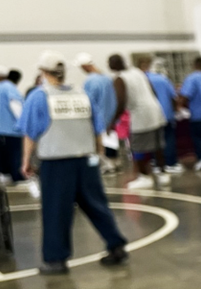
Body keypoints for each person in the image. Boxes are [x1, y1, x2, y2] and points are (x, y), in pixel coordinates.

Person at [18, 51, 128, 275]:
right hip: (85, 160)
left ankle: (56, 259)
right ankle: (116, 245)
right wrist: (97, 154)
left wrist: (26, 161)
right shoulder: (82, 95)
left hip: (56, 162)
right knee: (96, 205)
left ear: (43, 72)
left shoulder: (39, 97)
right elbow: (97, 129)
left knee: (56, 211)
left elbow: (30, 132)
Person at [108, 54, 168, 189]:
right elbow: (153, 91)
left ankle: (144, 177)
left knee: (137, 148)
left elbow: (121, 102)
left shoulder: (120, 78)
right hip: (155, 109)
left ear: (113, 65)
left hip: (140, 114)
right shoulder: (137, 72)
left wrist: (112, 121)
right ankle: (163, 174)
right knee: (157, 145)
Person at [138, 55, 181, 174]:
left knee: (154, 141)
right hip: (166, 114)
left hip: (149, 116)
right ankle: (171, 163)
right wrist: (175, 110)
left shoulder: (142, 80)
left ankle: (157, 164)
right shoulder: (163, 79)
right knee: (168, 139)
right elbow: (173, 97)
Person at [0, 69, 25, 184]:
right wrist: (26, 126)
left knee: (2, 167)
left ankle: (2, 196)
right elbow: (18, 110)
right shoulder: (11, 89)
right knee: (15, 165)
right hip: (11, 132)